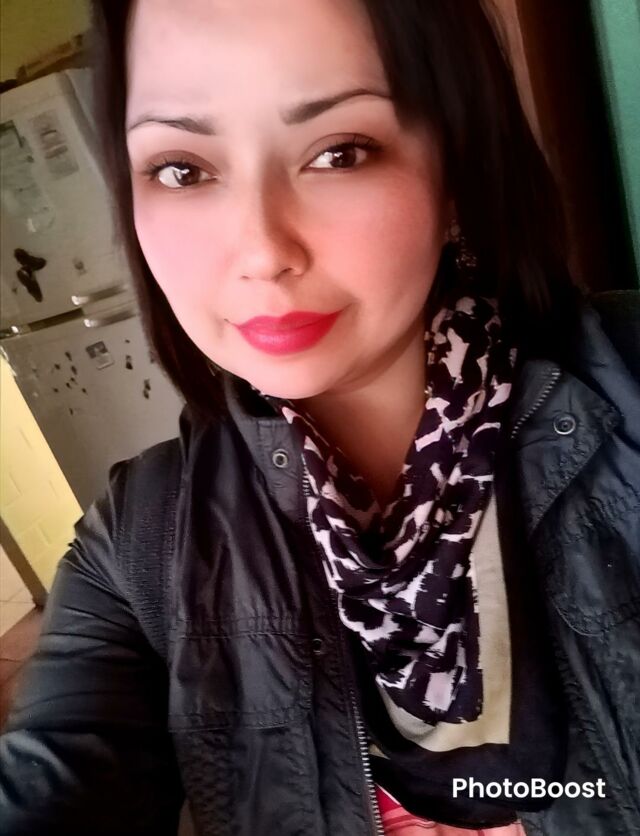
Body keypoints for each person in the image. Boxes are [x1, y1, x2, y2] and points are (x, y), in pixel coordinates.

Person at [1, 1, 639, 834]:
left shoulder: (626, 389)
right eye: (183, 169)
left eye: (340, 152)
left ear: (456, 172)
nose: (262, 249)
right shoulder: (140, 542)